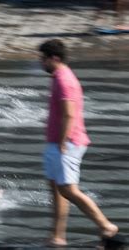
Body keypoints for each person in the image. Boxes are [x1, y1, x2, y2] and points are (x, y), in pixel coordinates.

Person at [38, 39, 119, 246]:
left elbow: (69, 114)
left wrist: (63, 143)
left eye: (43, 58)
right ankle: (58, 236)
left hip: (67, 143)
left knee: (68, 190)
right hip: (57, 142)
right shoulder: (58, 77)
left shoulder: (65, 80)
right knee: (57, 189)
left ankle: (105, 226)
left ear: (54, 58)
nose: (41, 62)